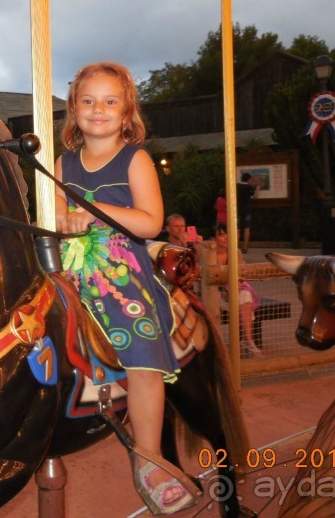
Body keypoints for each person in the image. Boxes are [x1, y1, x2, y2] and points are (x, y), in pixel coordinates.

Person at [55, 62, 191, 513]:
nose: (98, 109)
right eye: (88, 100)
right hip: (68, 264)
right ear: (73, 109)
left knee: (141, 352)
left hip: (119, 271)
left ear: (126, 112)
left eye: (110, 101)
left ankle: (149, 459)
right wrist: (61, 218)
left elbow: (151, 222)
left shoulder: (135, 159)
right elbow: (53, 212)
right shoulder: (62, 163)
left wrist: (94, 212)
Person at [213, 223, 262, 358]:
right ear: (213, 238)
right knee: (216, 299)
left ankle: (248, 340)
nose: (226, 238)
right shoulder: (208, 253)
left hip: (233, 290)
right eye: (221, 235)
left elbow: (241, 275)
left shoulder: (236, 252)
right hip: (216, 292)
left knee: (245, 295)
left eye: (228, 234)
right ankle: (219, 345)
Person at [236, 173, 259, 253]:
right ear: (248, 179)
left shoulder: (236, 186)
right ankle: (245, 247)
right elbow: (255, 197)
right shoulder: (249, 187)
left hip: (237, 210)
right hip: (247, 210)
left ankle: (235, 247)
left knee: (237, 229)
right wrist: (258, 189)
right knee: (247, 228)